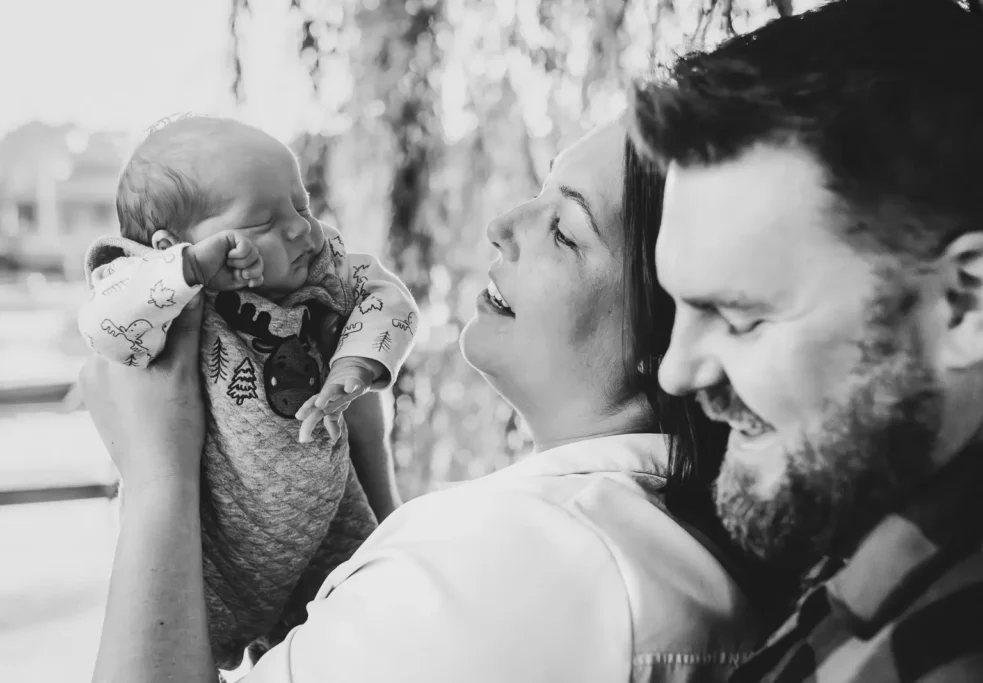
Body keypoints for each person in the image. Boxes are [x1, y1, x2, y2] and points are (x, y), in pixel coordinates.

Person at [79, 117, 773, 683]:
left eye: (566, 228)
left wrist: (156, 478)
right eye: (539, 191)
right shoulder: (656, 531)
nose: (504, 222)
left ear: (677, 332)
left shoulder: (520, 559)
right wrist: (365, 446)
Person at [629, 0, 983, 680]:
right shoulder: (881, 539)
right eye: (679, 306)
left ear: (964, 303)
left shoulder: (968, 650)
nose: (676, 371)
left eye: (739, 316)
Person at [77, 115, 420, 667]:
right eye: (264, 220)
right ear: (177, 246)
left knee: (374, 633)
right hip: (214, 554)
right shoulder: (160, 294)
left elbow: (388, 296)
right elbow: (103, 325)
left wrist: (353, 367)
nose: (301, 230)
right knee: (173, 655)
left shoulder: (321, 270)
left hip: (332, 525)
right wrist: (187, 271)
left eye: (302, 205)